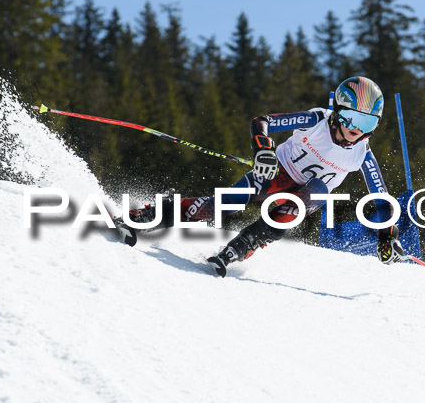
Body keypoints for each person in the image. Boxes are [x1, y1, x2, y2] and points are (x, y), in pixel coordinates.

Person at [129, 76, 403, 277]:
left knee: (315, 192)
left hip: (308, 194)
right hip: (276, 172)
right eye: (352, 119)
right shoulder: (318, 120)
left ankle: (242, 245)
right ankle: (152, 215)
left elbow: (381, 198)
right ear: (338, 111)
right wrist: (263, 149)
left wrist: (388, 235)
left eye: (367, 123)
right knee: (226, 203)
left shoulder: (362, 154)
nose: (356, 129)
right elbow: (264, 122)